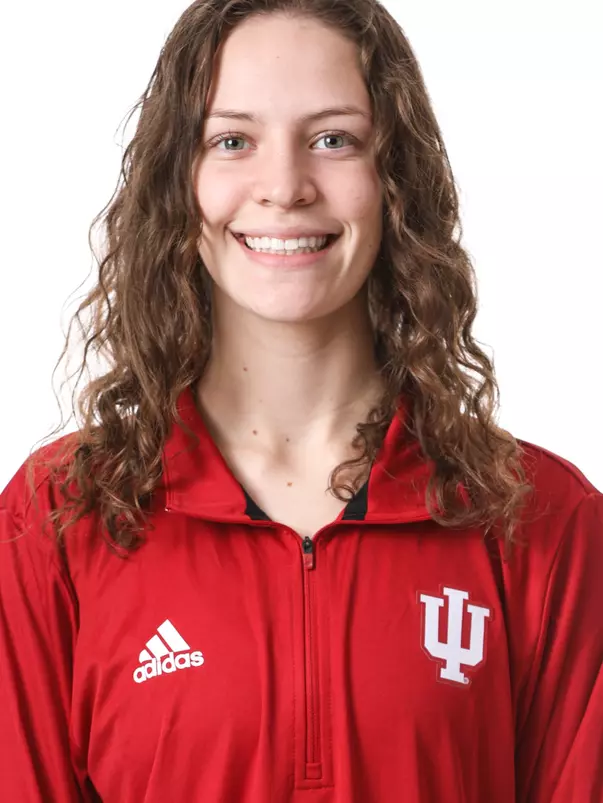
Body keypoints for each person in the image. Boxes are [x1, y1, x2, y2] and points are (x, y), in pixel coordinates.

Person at [1, 0, 601, 801]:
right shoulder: (57, 518)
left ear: (393, 182)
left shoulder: (539, 518)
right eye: (232, 141)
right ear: (179, 181)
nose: (283, 187)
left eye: (332, 139)